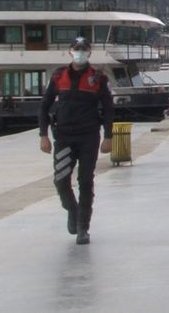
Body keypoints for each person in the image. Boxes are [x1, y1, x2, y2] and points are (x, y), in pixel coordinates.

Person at [38, 37, 114, 245]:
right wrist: (43, 135)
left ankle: (83, 228)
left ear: (89, 52)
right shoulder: (58, 75)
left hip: (89, 136)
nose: (80, 52)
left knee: (86, 181)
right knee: (61, 180)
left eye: (84, 49)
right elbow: (44, 106)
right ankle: (73, 210)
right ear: (69, 51)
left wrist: (108, 137)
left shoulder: (98, 78)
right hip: (63, 136)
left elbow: (108, 109)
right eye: (76, 48)